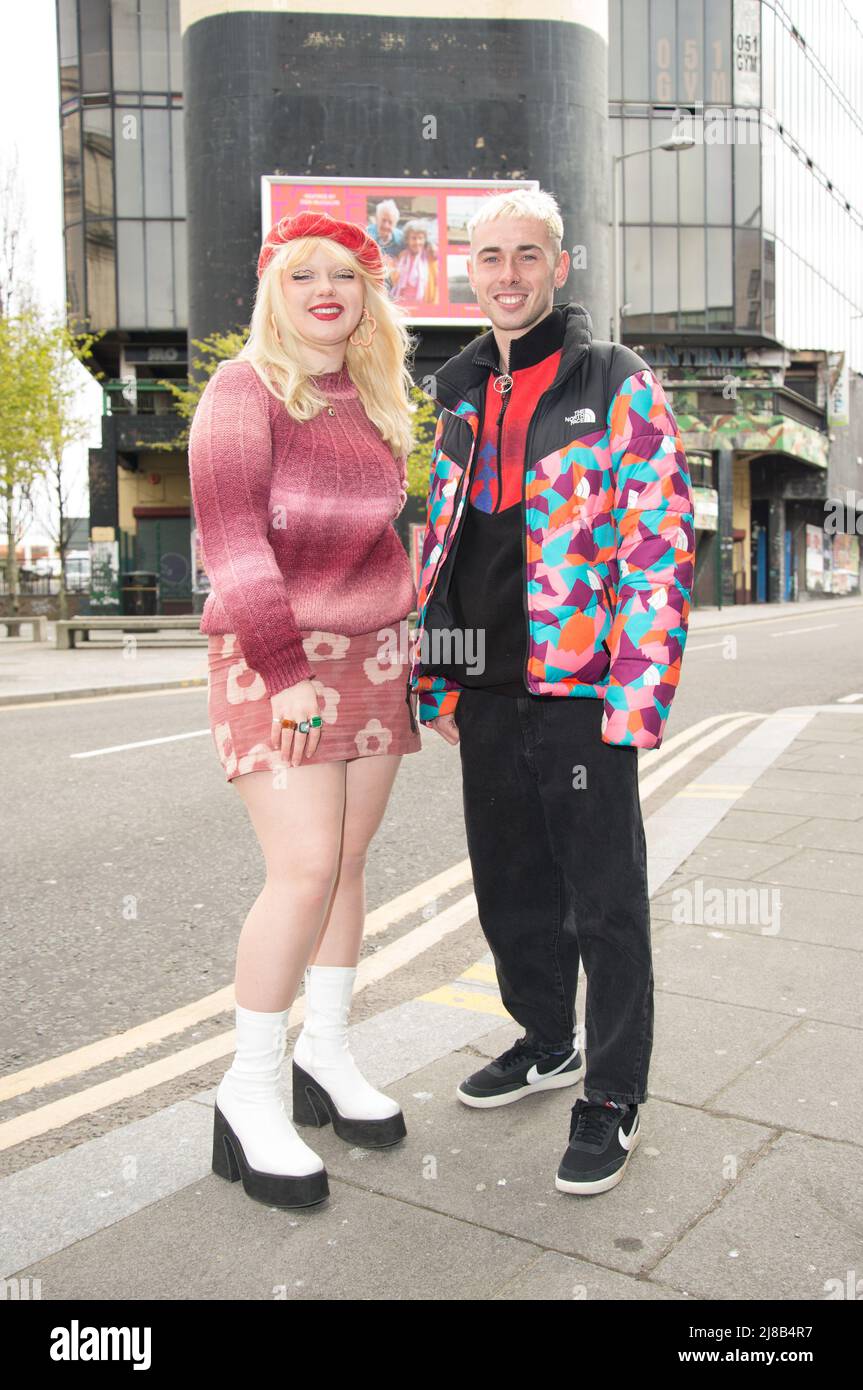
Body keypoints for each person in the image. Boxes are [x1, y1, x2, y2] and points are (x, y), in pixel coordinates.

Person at [407, 187, 695, 1196]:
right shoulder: (451, 388)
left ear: (558, 265)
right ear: (467, 271)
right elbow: (441, 543)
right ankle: (544, 1039)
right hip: (485, 689)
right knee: (510, 890)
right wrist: (434, 677)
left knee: (602, 900)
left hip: (580, 691)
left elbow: (658, 542)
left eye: (525, 255)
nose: (506, 275)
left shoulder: (613, 380)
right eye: (488, 257)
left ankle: (610, 1092)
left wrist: (636, 692)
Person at [188, 212, 422, 1209]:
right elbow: (233, 541)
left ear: (367, 296)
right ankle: (251, 1086)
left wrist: (417, 654)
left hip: (372, 653)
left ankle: (324, 1050)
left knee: (351, 865)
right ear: (272, 292)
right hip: (273, 654)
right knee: (304, 867)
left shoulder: (373, 394)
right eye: (302, 275)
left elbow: (386, 540)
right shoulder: (241, 391)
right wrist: (285, 669)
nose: (326, 287)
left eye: (345, 274)